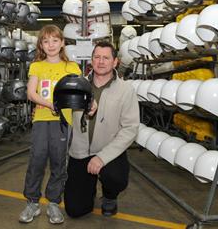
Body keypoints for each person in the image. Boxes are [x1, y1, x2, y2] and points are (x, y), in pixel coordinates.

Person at [64, 41, 140, 218]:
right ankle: (87, 188)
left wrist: (102, 157)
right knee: (75, 210)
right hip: (80, 152)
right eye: (97, 57)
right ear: (91, 60)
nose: (101, 61)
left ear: (115, 62)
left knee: (116, 178)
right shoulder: (79, 85)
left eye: (106, 57)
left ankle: (109, 196)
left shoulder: (125, 90)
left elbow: (130, 128)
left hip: (108, 150)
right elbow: (62, 110)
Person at [19, 25, 81, 224]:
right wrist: (50, 104)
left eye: (55, 40)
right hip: (41, 119)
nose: (51, 45)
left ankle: (54, 203)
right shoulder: (37, 66)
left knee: (58, 161)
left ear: (62, 42)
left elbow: (79, 91)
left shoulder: (71, 67)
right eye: (46, 41)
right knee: (36, 159)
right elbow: (31, 93)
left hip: (62, 122)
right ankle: (32, 202)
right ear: (41, 45)